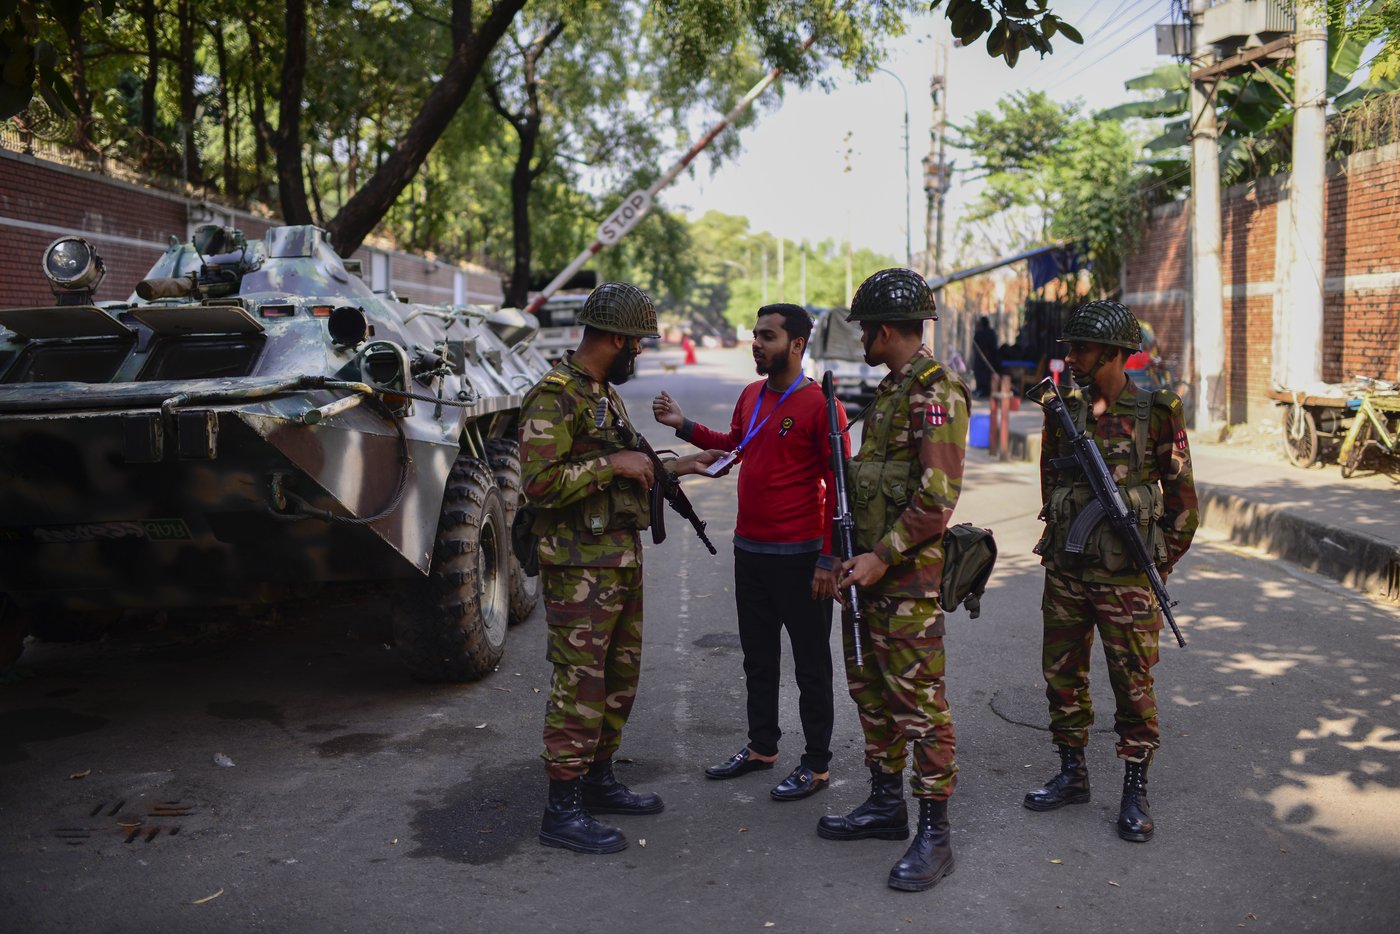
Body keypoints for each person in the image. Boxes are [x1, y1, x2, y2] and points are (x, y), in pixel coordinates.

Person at [519, 281, 725, 855]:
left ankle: (598, 778)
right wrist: (611, 464)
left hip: (615, 562)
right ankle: (562, 808)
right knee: (579, 680)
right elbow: (538, 485)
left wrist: (683, 464)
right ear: (615, 338)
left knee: (617, 678)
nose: (640, 353)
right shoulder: (554, 396)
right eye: (636, 343)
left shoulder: (600, 392)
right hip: (578, 567)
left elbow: (632, 462)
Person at [814, 268, 969, 893]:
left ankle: (935, 831)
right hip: (869, 576)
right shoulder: (889, 392)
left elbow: (937, 498)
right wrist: (842, 557)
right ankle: (885, 803)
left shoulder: (937, 392)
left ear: (884, 330)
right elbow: (859, 487)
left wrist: (881, 556)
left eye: (864, 332)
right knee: (871, 693)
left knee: (919, 704)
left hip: (906, 582)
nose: (860, 342)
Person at [651, 303, 845, 802]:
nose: (757, 344)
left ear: (797, 345)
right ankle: (762, 747)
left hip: (802, 558)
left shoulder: (822, 405)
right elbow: (737, 448)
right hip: (751, 552)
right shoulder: (751, 395)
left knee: (811, 665)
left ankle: (817, 764)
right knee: (758, 659)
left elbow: (839, 487)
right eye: (756, 335)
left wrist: (829, 558)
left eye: (768, 336)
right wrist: (685, 426)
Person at [1023, 299, 1198, 843]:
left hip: (1128, 580)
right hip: (1068, 571)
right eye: (1070, 347)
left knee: (1133, 683)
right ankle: (1072, 773)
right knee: (1063, 675)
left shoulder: (1158, 410)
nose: (1071, 358)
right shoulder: (1062, 409)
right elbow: (1051, 483)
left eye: (1081, 349)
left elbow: (1184, 506)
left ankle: (1134, 785)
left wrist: (1155, 565)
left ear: (1116, 354)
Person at [972, 315, 999, 399]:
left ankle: (982, 389)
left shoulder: (979, 333)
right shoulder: (991, 332)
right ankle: (984, 390)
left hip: (984, 360)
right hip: (989, 359)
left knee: (982, 373)